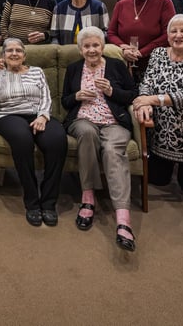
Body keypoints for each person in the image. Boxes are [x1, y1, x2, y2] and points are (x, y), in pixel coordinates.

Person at [62, 27, 138, 250]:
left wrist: (112, 91)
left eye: (95, 45)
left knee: (114, 149)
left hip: (113, 121)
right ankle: (88, 197)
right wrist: (76, 96)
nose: (92, 49)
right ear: (80, 49)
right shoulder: (74, 68)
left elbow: (132, 94)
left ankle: (123, 219)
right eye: (87, 46)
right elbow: (66, 101)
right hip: (83, 119)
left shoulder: (116, 66)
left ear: (103, 47)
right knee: (86, 134)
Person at [0, 38, 67, 227]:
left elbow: (46, 97)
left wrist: (43, 116)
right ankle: (32, 201)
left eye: (19, 50)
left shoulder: (37, 71)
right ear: (3, 56)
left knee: (57, 140)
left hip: (37, 114)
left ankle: (49, 203)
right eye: (9, 50)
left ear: (25, 55)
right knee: (22, 139)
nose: (14, 53)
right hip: (9, 116)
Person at [133, 14, 183, 196]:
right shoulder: (158, 54)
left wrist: (153, 100)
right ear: (167, 36)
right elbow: (147, 81)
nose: (178, 35)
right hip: (160, 135)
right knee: (158, 181)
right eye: (173, 31)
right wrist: (144, 98)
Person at [107, 0, 175, 82]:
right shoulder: (121, 5)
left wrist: (141, 52)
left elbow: (168, 34)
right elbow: (111, 33)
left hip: (155, 64)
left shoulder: (164, 3)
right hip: (123, 63)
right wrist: (124, 48)